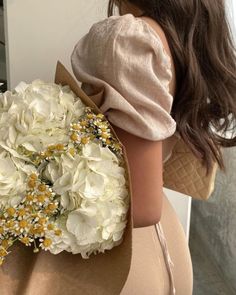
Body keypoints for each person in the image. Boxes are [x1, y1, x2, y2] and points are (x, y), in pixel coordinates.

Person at [71, 0, 236, 294]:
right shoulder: (180, 36)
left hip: (123, 257)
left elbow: (141, 207)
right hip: (159, 244)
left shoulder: (127, 39)